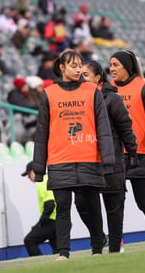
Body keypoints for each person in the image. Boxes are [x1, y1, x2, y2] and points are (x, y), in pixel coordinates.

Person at [32, 50, 115, 260]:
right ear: (62, 67)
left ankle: (97, 249)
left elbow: (103, 127)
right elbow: (41, 133)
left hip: (89, 158)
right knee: (62, 209)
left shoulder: (92, 91)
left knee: (93, 206)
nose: (78, 69)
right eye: (73, 65)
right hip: (60, 160)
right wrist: (39, 168)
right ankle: (63, 253)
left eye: (80, 66)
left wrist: (108, 160)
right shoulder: (49, 94)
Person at [75, 60, 138, 253]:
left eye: (85, 75)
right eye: (80, 75)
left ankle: (114, 250)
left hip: (112, 161)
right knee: (81, 204)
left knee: (113, 208)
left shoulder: (112, 99)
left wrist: (132, 152)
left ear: (97, 77)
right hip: (87, 162)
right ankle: (99, 237)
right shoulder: (78, 98)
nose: (81, 78)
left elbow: (126, 127)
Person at [109, 50, 145, 249]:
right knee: (117, 200)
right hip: (116, 154)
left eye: (116, 64)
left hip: (140, 153)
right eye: (110, 65)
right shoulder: (108, 90)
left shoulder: (144, 88)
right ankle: (118, 242)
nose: (111, 69)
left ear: (127, 66)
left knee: (142, 200)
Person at [22, 162, 58, 256]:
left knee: (29, 240)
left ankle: (38, 263)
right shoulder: (49, 178)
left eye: (29, 174)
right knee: (58, 250)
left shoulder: (42, 182)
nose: (28, 177)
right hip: (62, 220)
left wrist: (39, 224)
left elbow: (50, 205)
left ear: (34, 172)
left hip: (52, 220)